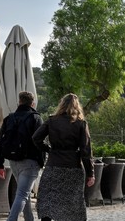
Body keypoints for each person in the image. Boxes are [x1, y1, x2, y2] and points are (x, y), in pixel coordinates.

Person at [32, 93, 95, 221]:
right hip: (73, 168)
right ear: (77, 106)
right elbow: (85, 151)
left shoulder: (51, 120)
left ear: (61, 104)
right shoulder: (81, 124)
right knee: (73, 202)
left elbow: (35, 138)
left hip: (53, 165)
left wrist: (49, 149)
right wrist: (90, 173)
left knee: (49, 199)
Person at [0, 91, 44, 221]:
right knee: (23, 194)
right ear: (32, 103)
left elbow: (0, 142)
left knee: (24, 194)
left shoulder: (9, 118)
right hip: (30, 162)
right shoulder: (36, 118)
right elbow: (40, 141)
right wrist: (42, 161)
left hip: (13, 162)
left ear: (19, 101)